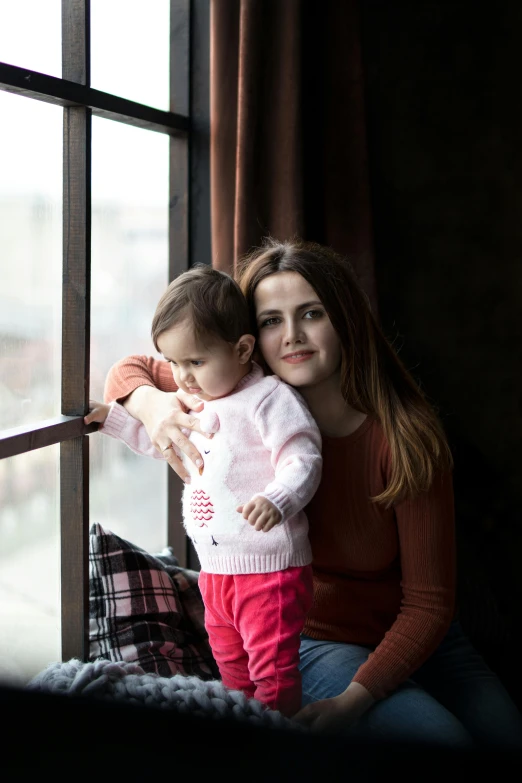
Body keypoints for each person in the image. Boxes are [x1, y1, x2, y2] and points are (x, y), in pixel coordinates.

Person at [100, 238, 522, 750]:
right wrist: (150, 406)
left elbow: (430, 605)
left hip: (422, 638)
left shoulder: (406, 438)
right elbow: (130, 370)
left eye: (311, 313)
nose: (292, 336)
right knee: (443, 740)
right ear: (248, 340)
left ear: (343, 318)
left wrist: (353, 702)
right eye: (272, 320)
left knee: (505, 736)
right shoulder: (236, 386)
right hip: (315, 637)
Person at [86, 265, 322, 718]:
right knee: (231, 667)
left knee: (272, 673)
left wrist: (279, 498)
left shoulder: (268, 399)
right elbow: (160, 442)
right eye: (173, 363)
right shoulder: (196, 401)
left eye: (195, 362)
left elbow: (303, 458)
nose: (182, 377)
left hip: (270, 570)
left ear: (242, 349)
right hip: (216, 570)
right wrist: (112, 420)